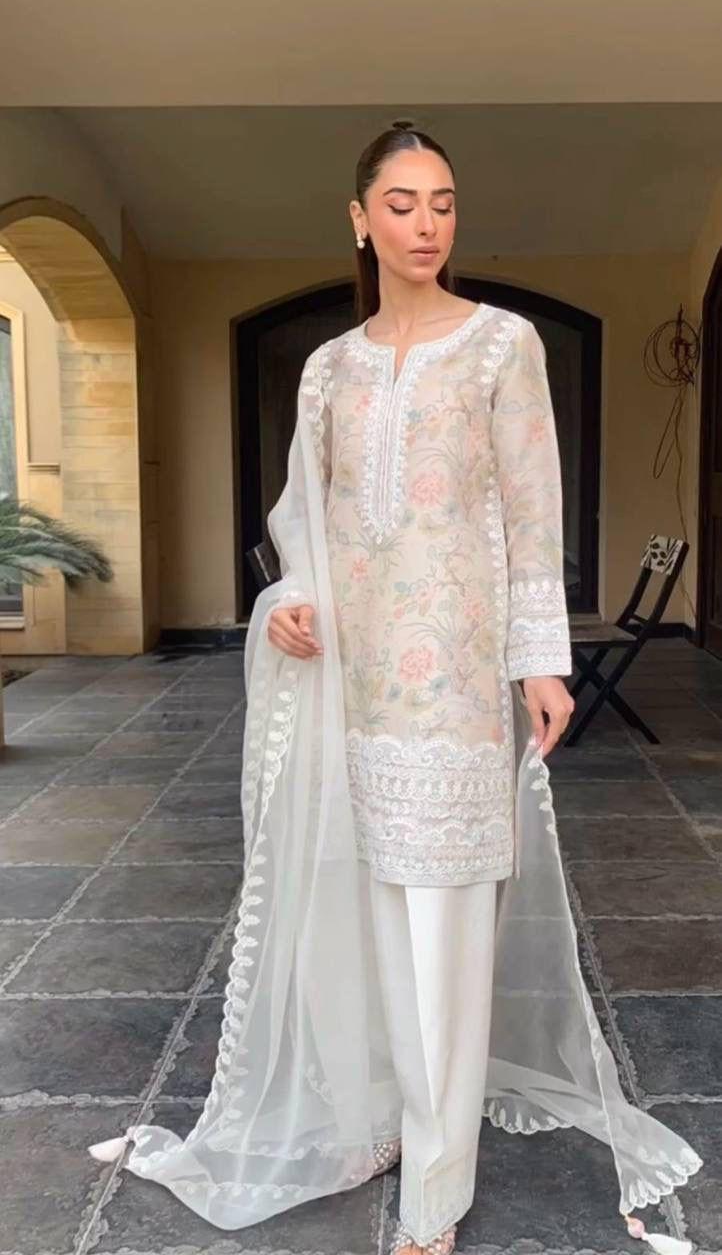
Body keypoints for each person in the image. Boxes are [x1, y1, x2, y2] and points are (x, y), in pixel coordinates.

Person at [88, 125, 702, 1255]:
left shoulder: (501, 345)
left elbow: (532, 514)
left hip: (459, 687)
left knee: (448, 935)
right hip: (355, 690)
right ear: (359, 219)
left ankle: (436, 1188)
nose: (427, 224)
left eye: (445, 202)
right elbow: (304, 518)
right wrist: (293, 599)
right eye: (404, 203)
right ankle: (380, 1115)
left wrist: (540, 659)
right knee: (373, 921)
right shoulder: (328, 369)